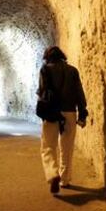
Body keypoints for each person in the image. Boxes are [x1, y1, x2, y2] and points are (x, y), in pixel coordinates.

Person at [36, 46, 88, 194]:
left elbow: (41, 91)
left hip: (51, 112)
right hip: (69, 112)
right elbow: (79, 93)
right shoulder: (72, 71)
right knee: (67, 147)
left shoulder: (45, 70)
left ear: (47, 57)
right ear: (62, 56)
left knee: (48, 147)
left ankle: (53, 174)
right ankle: (64, 179)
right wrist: (82, 114)